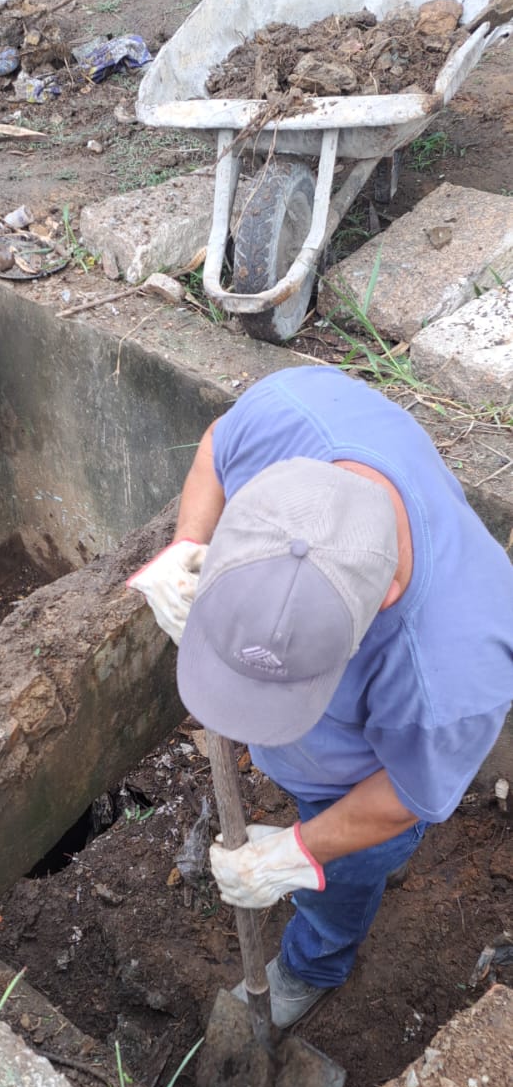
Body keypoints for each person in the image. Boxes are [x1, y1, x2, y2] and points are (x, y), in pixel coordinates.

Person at [128, 365, 513, 1027]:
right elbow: (217, 448)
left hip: (366, 780)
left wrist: (298, 853)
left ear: (379, 604)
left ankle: (315, 961)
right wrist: (188, 546)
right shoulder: (289, 413)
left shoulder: (453, 673)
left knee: (350, 871)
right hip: (331, 752)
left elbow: (406, 793)